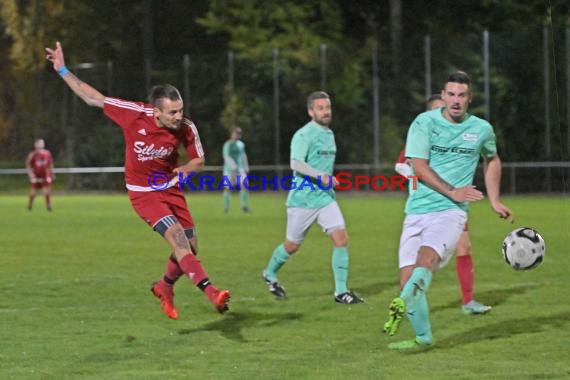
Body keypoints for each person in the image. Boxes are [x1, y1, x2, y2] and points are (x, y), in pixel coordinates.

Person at [45, 41, 230, 320]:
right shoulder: (133, 114)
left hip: (171, 189)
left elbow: (198, 161)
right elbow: (93, 97)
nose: (179, 116)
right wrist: (62, 70)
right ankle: (212, 293)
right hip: (143, 194)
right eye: (173, 112)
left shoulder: (186, 128)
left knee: (190, 247)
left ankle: (164, 287)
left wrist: (184, 171)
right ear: (156, 112)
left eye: (181, 110)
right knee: (179, 242)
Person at [383, 71, 513, 350]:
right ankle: (423, 337)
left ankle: (403, 304)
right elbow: (418, 165)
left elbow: (492, 159)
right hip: (416, 210)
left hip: (451, 212)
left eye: (461, 95)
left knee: (426, 260)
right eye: (451, 94)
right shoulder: (423, 123)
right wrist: (451, 188)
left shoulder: (481, 129)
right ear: (442, 96)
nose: (456, 100)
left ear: (469, 98)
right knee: (408, 279)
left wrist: (494, 199)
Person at [261, 91, 364, 304]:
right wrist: (322, 177)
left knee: (341, 239)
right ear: (311, 111)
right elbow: (295, 163)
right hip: (303, 200)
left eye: (328, 107)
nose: (326, 112)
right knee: (292, 246)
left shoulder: (329, 134)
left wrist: (326, 181)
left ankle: (341, 292)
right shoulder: (303, 134)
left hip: (325, 198)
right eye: (321, 108)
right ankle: (269, 273)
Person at [394, 94, 491, 315]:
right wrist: (416, 176)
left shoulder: (457, 136)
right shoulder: (421, 135)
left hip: (452, 206)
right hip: (425, 206)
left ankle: (468, 301)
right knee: (417, 264)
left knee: (464, 247)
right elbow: (401, 164)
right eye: (438, 109)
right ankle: (413, 304)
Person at [222, 126, 251, 213]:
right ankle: (226, 208)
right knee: (228, 188)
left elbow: (243, 156)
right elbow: (226, 157)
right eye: (235, 133)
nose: (237, 135)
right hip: (229, 170)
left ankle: (244, 206)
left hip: (240, 169)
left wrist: (246, 167)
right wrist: (233, 166)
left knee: (245, 185)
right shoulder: (227, 144)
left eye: (238, 133)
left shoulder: (241, 144)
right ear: (232, 134)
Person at [26, 138, 55, 211]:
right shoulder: (33, 154)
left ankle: (49, 206)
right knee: (33, 192)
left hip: (45, 175)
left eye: (42, 143)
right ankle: (30, 204)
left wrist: (52, 173)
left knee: (47, 191)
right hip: (36, 175)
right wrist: (31, 174)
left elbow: (50, 164)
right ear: (35, 145)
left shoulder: (47, 153)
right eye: (39, 143)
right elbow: (28, 165)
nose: (40, 145)